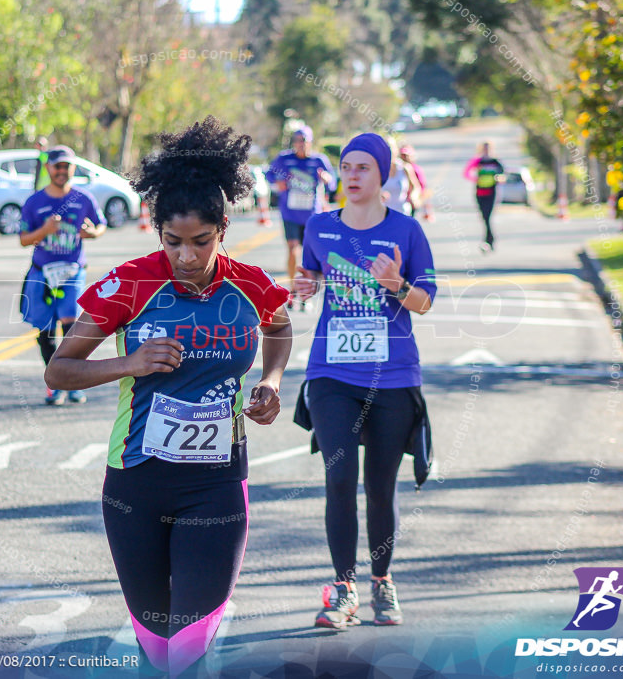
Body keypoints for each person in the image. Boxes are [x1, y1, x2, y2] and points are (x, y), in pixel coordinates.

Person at [45, 116, 292, 675]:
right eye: (172, 241)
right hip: (137, 483)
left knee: (188, 646)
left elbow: (277, 326)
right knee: (156, 648)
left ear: (223, 227)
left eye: (201, 241)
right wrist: (130, 363)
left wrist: (271, 382)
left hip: (217, 483)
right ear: (156, 231)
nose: (186, 255)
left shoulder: (248, 283)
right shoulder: (131, 283)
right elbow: (59, 371)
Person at [294, 133, 437, 628]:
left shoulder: (407, 231)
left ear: (383, 177)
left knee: (380, 486)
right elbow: (308, 280)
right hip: (332, 372)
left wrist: (395, 285)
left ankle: (382, 582)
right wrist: (304, 287)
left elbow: (426, 300)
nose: (352, 176)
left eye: (363, 169)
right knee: (338, 478)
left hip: (393, 374)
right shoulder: (319, 227)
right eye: (347, 167)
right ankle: (343, 587)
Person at [19, 145, 107, 406]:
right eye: (57, 166)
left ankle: (75, 380)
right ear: (48, 168)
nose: (61, 171)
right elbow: (24, 239)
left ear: (73, 168)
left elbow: (100, 225)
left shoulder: (84, 198)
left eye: (66, 166)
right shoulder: (35, 202)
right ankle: (55, 381)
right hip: (42, 273)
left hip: (72, 271)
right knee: (45, 331)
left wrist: (93, 233)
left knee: (71, 323)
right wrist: (45, 229)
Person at [265, 126, 336, 309]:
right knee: (292, 249)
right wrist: (276, 182)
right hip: (290, 212)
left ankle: (306, 292)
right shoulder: (284, 159)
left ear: (310, 142)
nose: (300, 145)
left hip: (312, 215)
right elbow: (269, 173)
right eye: (297, 141)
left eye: (303, 141)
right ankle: (291, 289)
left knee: (309, 255)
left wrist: (327, 178)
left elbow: (333, 183)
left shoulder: (319, 160)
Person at [463, 141, 505, 251]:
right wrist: (475, 178)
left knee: (488, 216)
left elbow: (503, 173)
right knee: (484, 216)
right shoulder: (477, 161)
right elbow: (466, 173)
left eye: (488, 148)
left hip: (491, 192)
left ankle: (488, 239)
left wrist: (498, 178)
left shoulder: (495, 161)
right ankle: (490, 239)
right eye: (484, 148)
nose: (486, 150)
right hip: (480, 192)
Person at [399, 144, 433, 221]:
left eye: (407, 156)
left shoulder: (416, 169)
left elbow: (422, 187)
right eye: (403, 155)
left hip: (411, 201)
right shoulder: (398, 169)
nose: (405, 158)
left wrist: (426, 209)